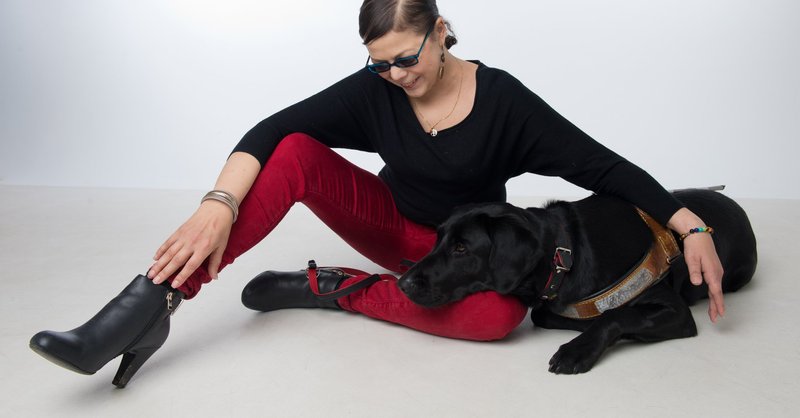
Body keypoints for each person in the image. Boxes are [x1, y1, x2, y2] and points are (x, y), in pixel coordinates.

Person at [29, 0, 725, 388]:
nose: (394, 74)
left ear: (442, 29)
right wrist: (218, 204)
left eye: (406, 56)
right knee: (297, 151)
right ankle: (148, 307)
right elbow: (274, 131)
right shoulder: (376, 91)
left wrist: (688, 223)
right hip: (394, 227)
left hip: (463, 255)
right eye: (378, 62)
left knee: (497, 320)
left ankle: (333, 288)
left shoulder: (505, 101)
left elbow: (603, 168)